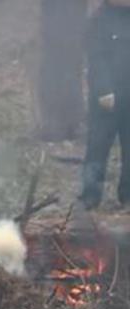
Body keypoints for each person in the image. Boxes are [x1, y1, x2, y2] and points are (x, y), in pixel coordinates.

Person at [79, 0, 130, 210]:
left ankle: (127, 195)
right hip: (106, 100)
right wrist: (103, 90)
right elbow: (96, 59)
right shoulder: (99, 21)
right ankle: (91, 195)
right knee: (97, 147)